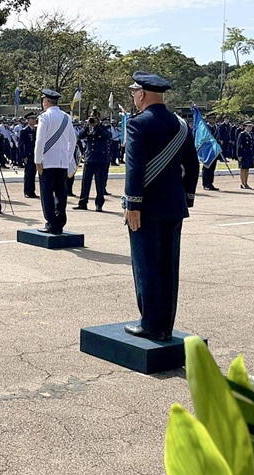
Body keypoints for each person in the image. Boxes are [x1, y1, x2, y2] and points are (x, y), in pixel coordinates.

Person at [122, 71, 199, 341]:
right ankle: (165, 323)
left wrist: (132, 203)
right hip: (174, 206)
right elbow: (192, 165)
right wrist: (186, 197)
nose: (133, 97)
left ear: (142, 94)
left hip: (145, 208)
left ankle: (151, 324)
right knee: (169, 265)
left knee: (146, 265)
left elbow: (134, 167)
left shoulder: (138, 124)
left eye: (134, 92)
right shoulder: (181, 125)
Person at [33, 89, 76, 235]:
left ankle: (51, 222)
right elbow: (73, 140)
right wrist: (68, 159)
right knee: (61, 193)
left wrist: (38, 160)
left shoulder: (44, 117)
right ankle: (60, 222)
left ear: (46, 102)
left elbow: (40, 140)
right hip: (62, 162)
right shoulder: (66, 117)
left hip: (47, 162)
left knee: (47, 193)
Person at [74, 109, 111, 212]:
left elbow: (107, 136)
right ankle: (82, 203)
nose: (92, 121)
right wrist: (86, 126)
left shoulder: (104, 128)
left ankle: (99, 204)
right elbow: (80, 136)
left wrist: (97, 126)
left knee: (100, 184)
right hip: (89, 159)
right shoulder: (88, 128)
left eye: (94, 118)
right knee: (85, 183)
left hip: (101, 160)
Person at [19, 113, 38, 198]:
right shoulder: (24, 130)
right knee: (28, 174)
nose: (34, 120)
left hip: (35, 155)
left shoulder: (36, 130)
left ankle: (32, 191)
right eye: (32, 118)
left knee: (33, 173)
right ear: (28, 120)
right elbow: (21, 145)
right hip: (28, 155)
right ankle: (27, 191)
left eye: (35, 118)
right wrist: (24, 156)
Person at [237, 121, 254, 189]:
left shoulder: (250, 134)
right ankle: (242, 183)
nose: (250, 128)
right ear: (245, 127)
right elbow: (239, 145)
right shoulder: (242, 134)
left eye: (251, 126)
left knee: (247, 168)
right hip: (243, 154)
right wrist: (239, 155)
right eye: (248, 126)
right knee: (243, 168)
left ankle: (246, 182)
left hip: (249, 153)